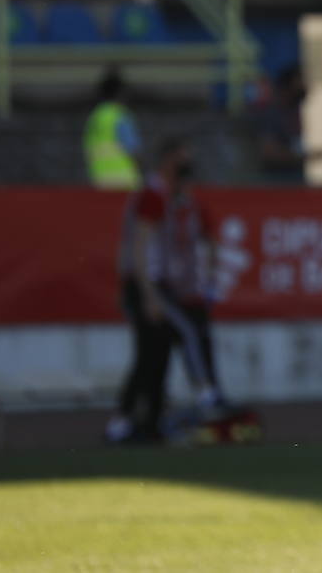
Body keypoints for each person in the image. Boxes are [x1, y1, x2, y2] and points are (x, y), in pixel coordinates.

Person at [121, 136, 227, 441]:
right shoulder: (154, 197)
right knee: (169, 345)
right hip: (153, 286)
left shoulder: (179, 200)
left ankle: (145, 421)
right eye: (182, 160)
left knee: (157, 354)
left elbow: (205, 243)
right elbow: (140, 248)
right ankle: (203, 392)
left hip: (169, 287)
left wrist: (206, 281)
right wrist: (148, 294)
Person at [84, 68, 142, 189]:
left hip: (99, 181)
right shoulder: (120, 115)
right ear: (120, 92)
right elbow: (133, 149)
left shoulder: (94, 117)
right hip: (124, 181)